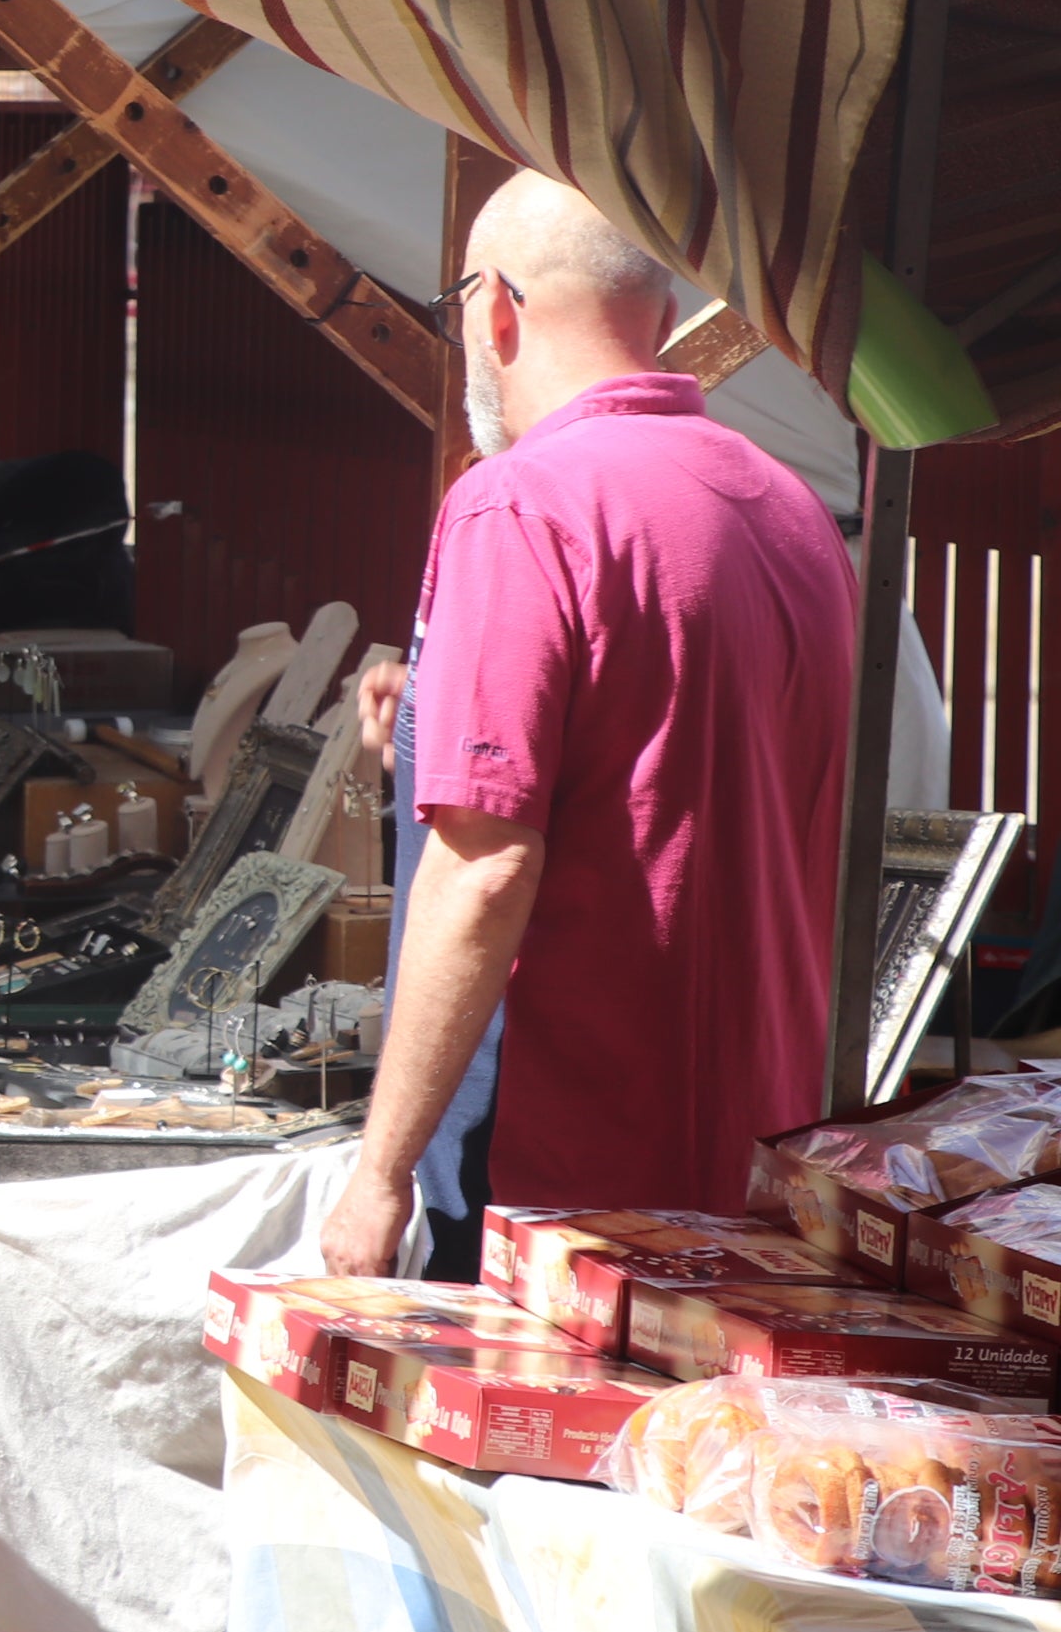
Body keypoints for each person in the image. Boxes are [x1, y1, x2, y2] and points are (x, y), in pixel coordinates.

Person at [318, 177, 857, 1280]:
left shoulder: (517, 503)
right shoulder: (790, 507)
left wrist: (378, 1176)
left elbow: (483, 869)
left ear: (496, 308)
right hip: (764, 1146)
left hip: (562, 1180)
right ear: (659, 317)